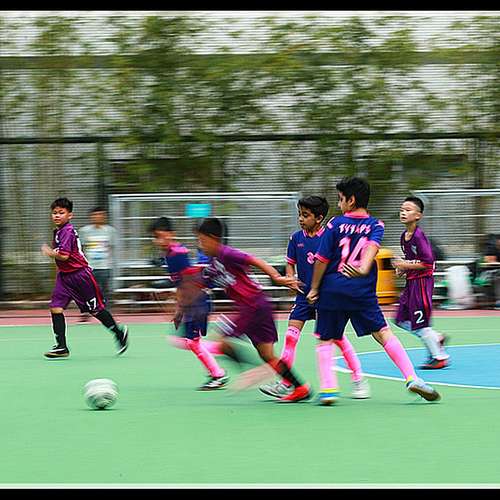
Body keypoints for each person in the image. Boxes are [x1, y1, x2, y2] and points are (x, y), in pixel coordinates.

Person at [306, 177, 441, 406]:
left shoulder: (334, 224)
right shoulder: (376, 225)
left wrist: (314, 288)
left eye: (340, 199)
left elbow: (322, 259)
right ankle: (412, 378)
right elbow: (371, 249)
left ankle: (328, 389)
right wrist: (363, 268)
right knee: (384, 334)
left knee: (325, 339)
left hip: (333, 289)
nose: (339, 204)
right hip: (362, 291)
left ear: (351, 200)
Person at [259, 195, 371, 399]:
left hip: (325, 297)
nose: (301, 219)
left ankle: (358, 378)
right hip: (303, 297)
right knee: (290, 337)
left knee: (338, 339)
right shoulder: (296, 238)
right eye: (299, 215)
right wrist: (291, 278)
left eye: (305, 215)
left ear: (319, 218)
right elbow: (290, 263)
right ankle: (285, 382)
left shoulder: (329, 237)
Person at [196, 217, 312, 403]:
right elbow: (199, 284)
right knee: (267, 355)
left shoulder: (227, 254)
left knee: (220, 340)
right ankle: (301, 388)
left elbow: (255, 260)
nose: (200, 245)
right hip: (259, 306)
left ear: (214, 238)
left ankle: (255, 371)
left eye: (202, 240)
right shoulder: (212, 266)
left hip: (252, 306)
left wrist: (277, 277)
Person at [41, 197, 128, 358]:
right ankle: (61, 346)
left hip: (80, 276)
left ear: (70, 215)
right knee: (56, 308)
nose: (57, 215)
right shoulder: (58, 231)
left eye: (61, 212)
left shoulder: (67, 231)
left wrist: (49, 252)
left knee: (95, 310)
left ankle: (119, 332)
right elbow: (62, 259)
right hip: (64, 277)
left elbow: (64, 256)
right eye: (54, 213)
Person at [150, 216, 229, 391]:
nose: (158, 240)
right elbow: (183, 283)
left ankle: (218, 373)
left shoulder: (176, 254)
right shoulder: (171, 253)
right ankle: (220, 359)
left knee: (192, 342)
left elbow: (187, 284)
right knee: (184, 341)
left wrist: (180, 309)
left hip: (197, 302)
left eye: (161, 235)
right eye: (155, 237)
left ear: (171, 234)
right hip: (194, 302)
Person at [391, 196, 450, 369]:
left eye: (408, 210)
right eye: (402, 209)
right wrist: (403, 268)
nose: (403, 212)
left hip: (422, 284)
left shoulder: (419, 236)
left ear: (418, 215)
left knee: (420, 322)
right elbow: (413, 260)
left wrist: (404, 265)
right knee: (400, 319)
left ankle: (439, 357)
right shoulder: (404, 237)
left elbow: (428, 263)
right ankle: (436, 337)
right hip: (411, 283)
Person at [79, 207, 117, 320]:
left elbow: (111, 247)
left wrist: (110, 262)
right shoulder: (84, 231)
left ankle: (106, 313)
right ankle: (86, 312)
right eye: (95, 215)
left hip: (105, 266)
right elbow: (81, 248)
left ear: (104, 216)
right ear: (91, 217)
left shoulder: (110, 231)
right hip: (89, 266)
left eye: (100, 215)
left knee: (104, 289)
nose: (98, 217)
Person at [483, 234, 500, 310]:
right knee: (498, 277)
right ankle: (498, 301)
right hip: (489, 272)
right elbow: (490, 262)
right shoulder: (490, 249)